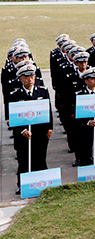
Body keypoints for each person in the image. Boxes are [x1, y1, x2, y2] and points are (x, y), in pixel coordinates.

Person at [10, 64, 53, 195]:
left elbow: (48, 110)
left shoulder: (42, 91)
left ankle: (42, 183)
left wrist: (49, 127)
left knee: (40, 158)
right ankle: (22, 185)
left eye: (32, 76)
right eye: (26, 77)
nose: (30, 79)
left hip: (40, 133)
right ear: (20, 79)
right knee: (23, 160)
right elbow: (14, 116)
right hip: (23, 134)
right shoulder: (15, 95)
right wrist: (22, 130)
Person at [75, 67, 95, 165]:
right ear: (86, 81)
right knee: (85, 148)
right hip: (86, 127)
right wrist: (87, 122)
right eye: (92, 79)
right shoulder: (80, 94)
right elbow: (78, 113)